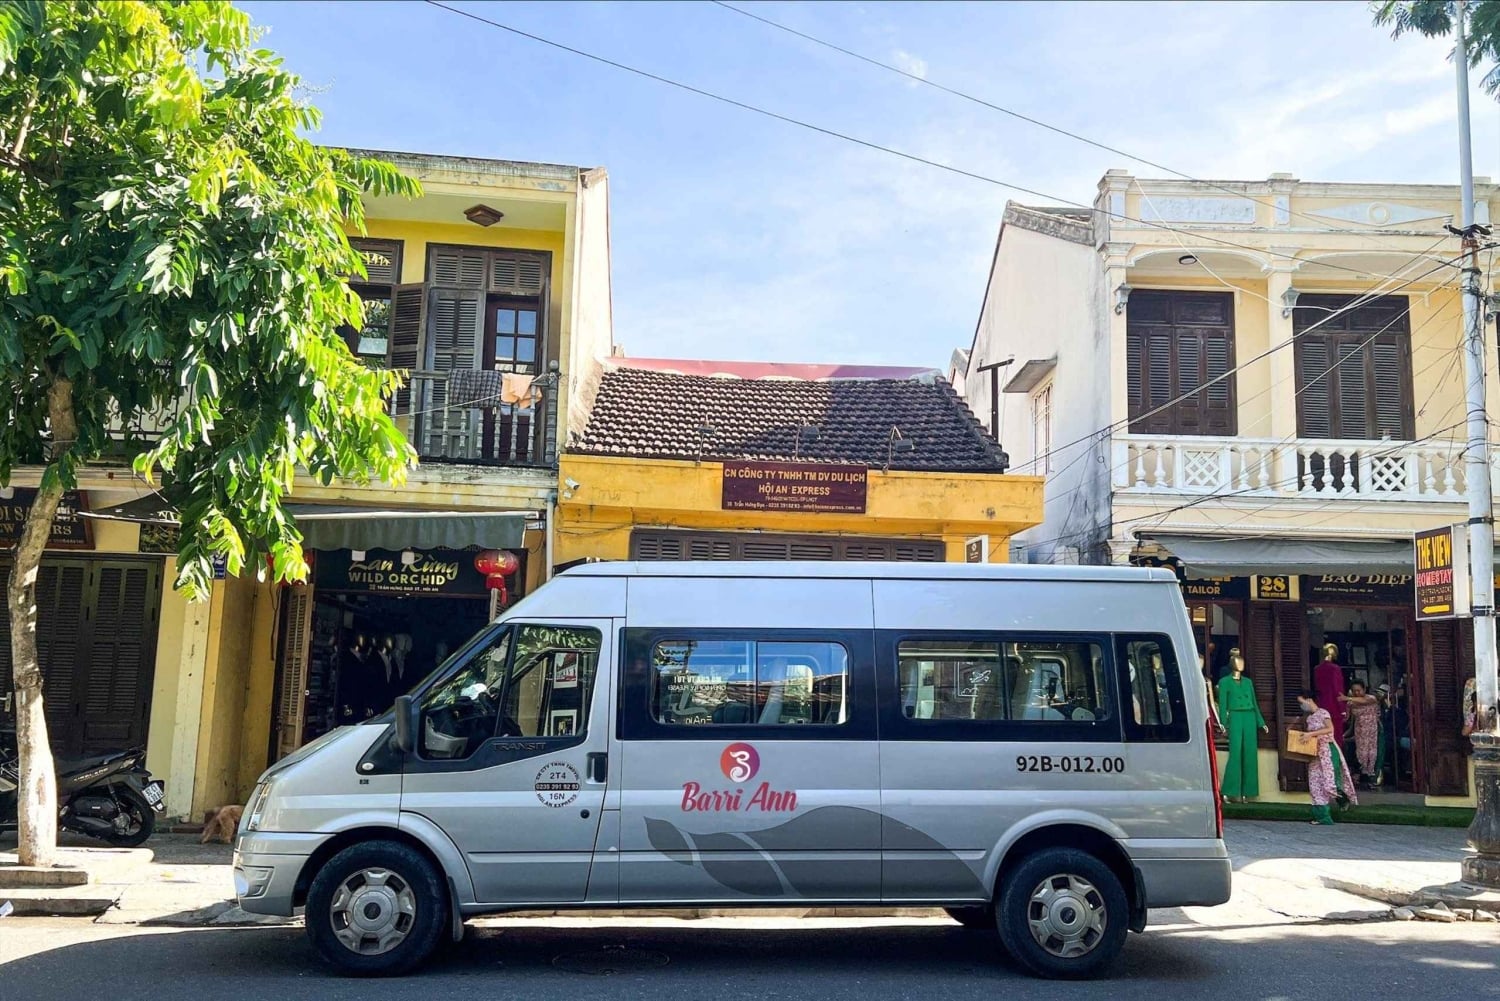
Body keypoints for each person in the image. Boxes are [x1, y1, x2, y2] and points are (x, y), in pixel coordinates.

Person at [1215, 648, 1268, 803]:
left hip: (1250, 716)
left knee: (1250, 754)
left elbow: (1255, 703)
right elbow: (1223, 704)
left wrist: (1261, 722)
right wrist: (1223, 723)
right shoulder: (1224, 682)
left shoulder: (1248, 682)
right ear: (1232, 663)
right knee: (1235, 753)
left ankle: (1248, 791)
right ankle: (1229, 790)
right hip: (1236, 716)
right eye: (1238, 661)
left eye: (1242, 661)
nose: (1241, 664)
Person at [1298, 688, 1357, 825]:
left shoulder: (1323, 713)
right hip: (1315, 753)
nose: (1301, 706)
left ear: (1308, 700)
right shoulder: (1310, 719)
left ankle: (1343, 800)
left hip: (1328, 750)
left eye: (1301, 702)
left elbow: (1330, 729)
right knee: (1315, 783)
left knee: (1330, 780)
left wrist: (1310, 734)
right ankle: (1322, 816)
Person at [1339, 681, 1380, 786]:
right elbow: (1348, 719)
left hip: (1372, 732)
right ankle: (1361, 775)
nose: (1356, 693)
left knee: (1372, 753)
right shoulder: (1351, 704)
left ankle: (1372, 776)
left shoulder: (1371, 699)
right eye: (1354, 691)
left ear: (1364, 689)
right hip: (1359, 732)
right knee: (1360, 753)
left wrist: (1347, 698)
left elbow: (1363, 701)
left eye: (1359, 690)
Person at [1313, 643, 1347, 747]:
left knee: (1323, 737)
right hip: (1334, 707)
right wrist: (1343, 709)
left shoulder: (1317, 669)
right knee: (1335, 737)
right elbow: (1337, 689)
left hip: (1321, 705)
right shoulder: (1335, 669)